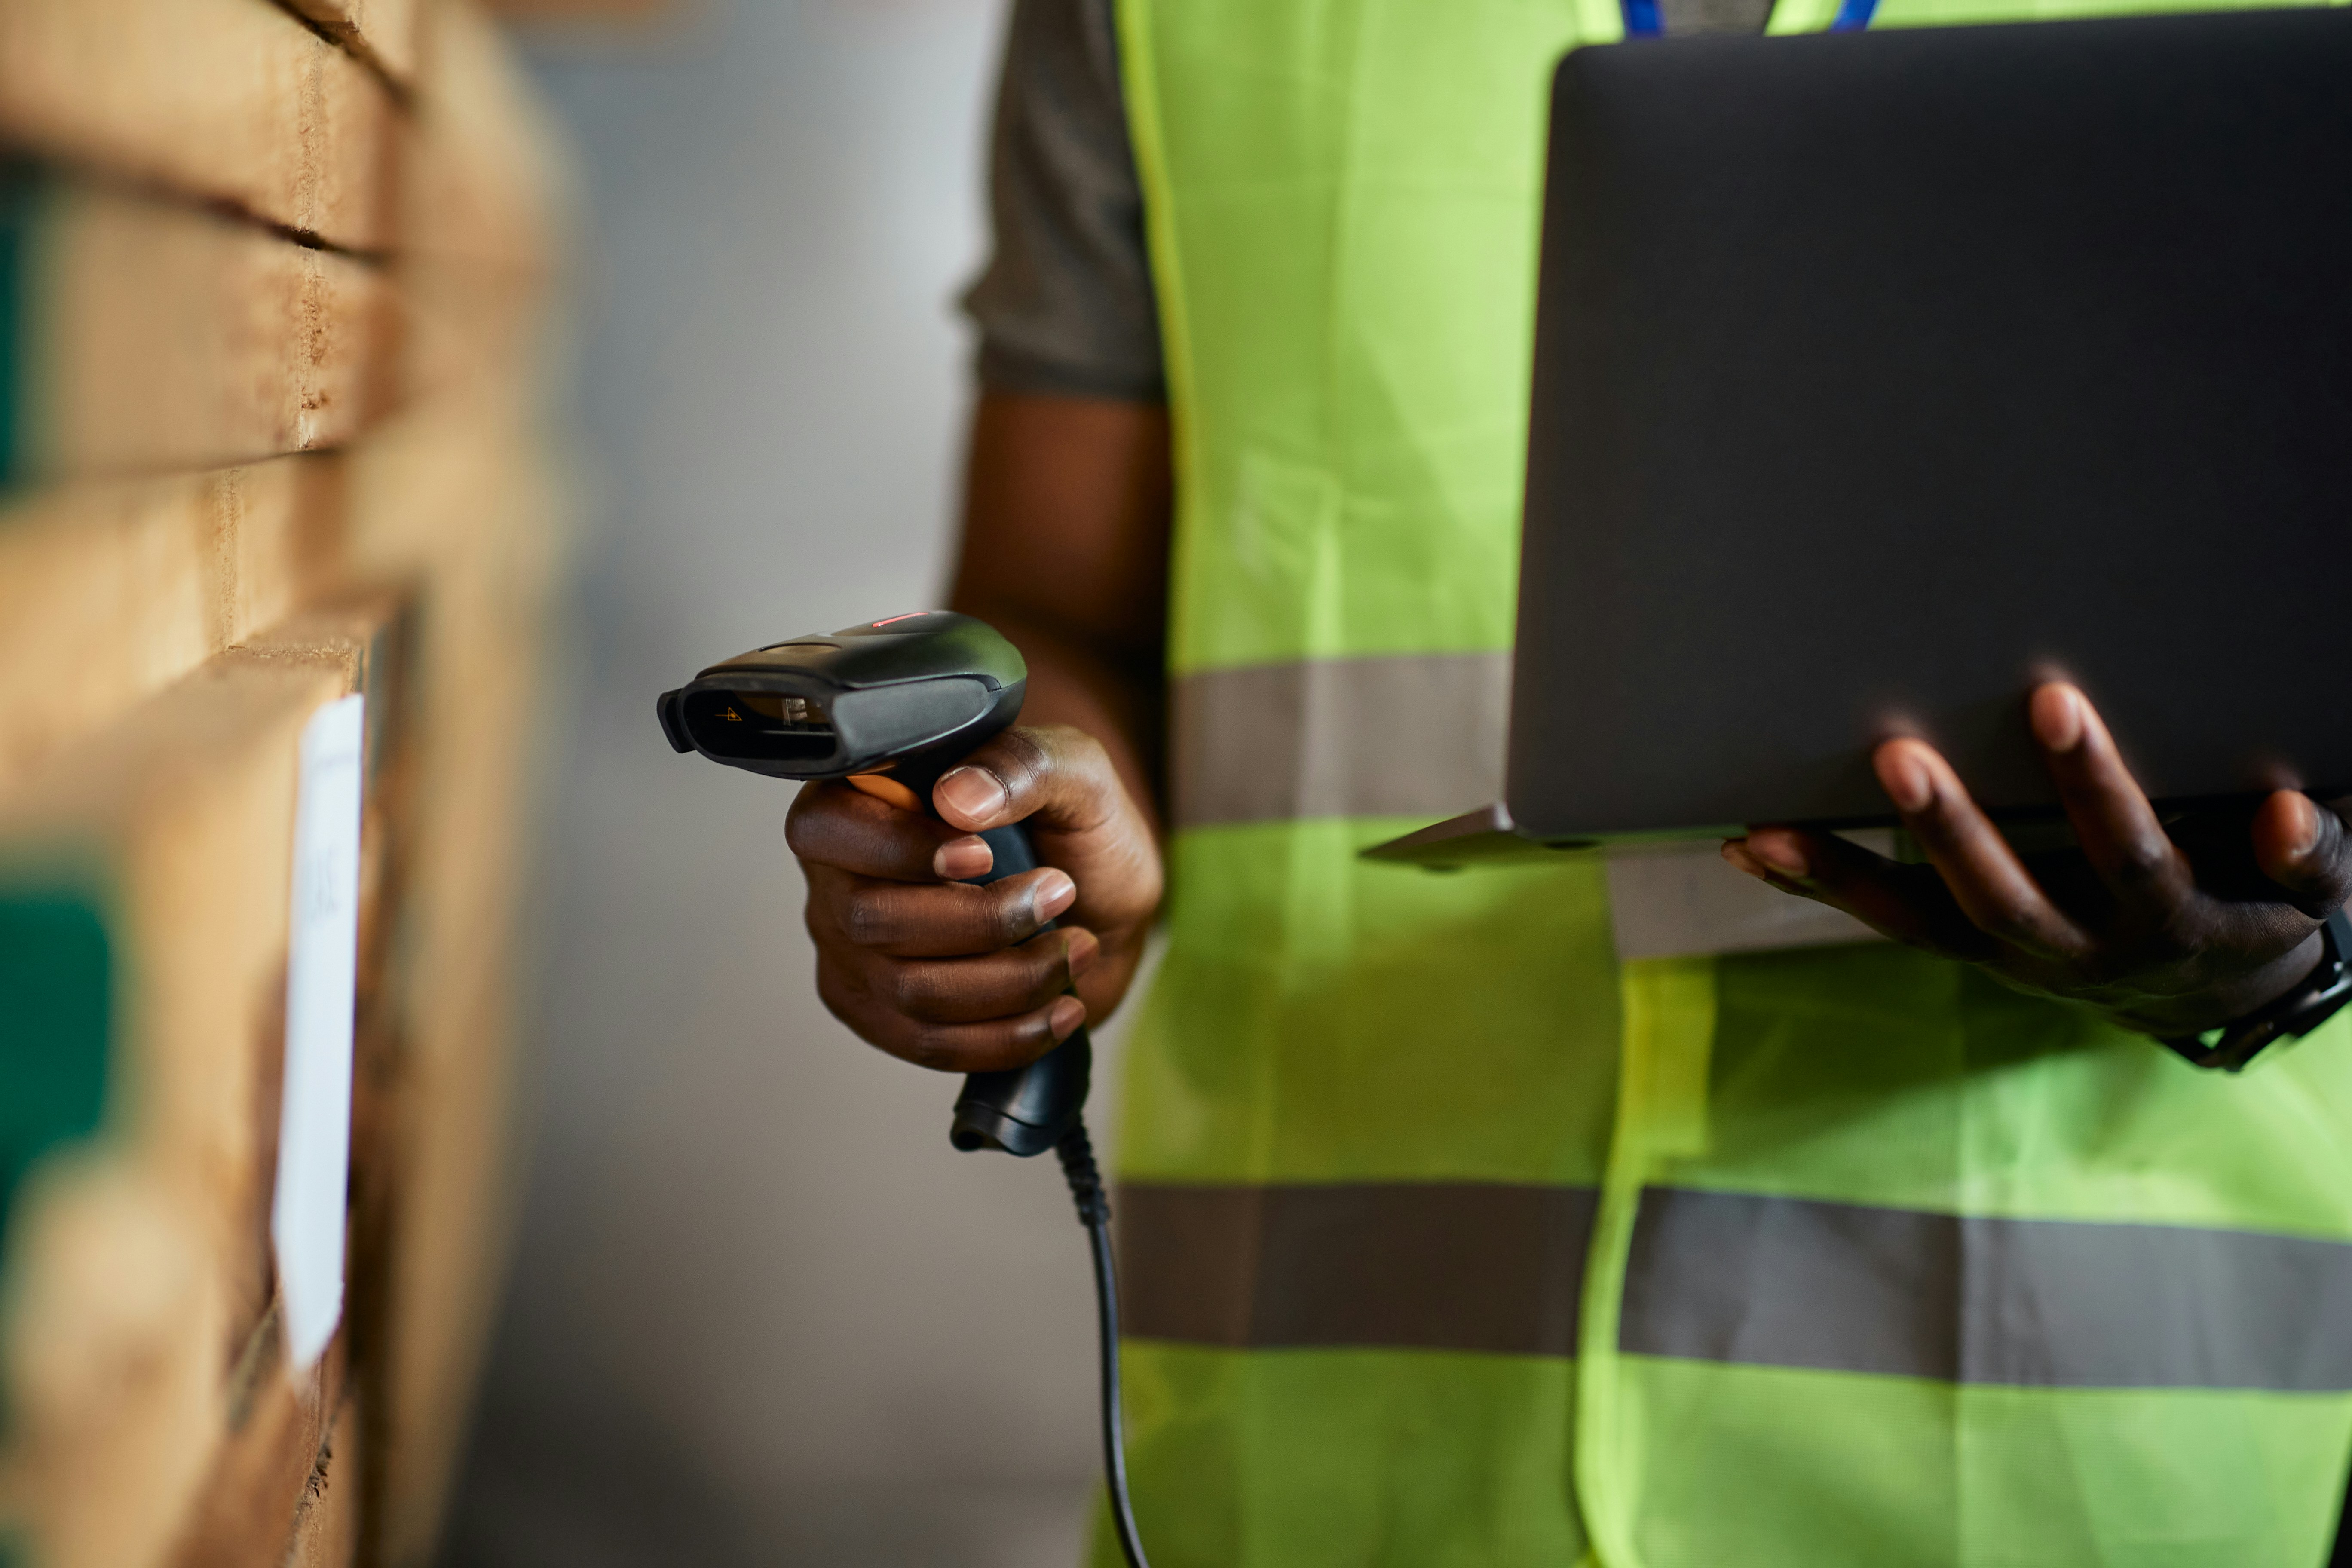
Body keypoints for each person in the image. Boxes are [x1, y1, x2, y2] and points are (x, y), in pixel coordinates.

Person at [784, 0, 2352, 1560]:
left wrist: (2301, 937)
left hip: (2071, 1480)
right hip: (1322, 1469)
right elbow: (1054, 615)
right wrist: (1031, 833)